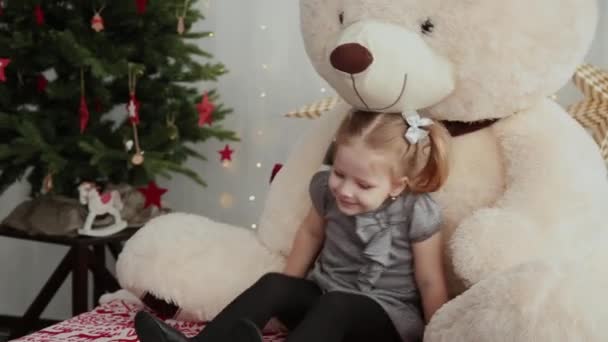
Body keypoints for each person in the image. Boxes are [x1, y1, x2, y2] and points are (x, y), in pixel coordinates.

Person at [134, 110, 451, 342]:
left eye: (364, 185)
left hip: (383, 320)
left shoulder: (416, 212)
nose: (344, 190)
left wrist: (436, 337)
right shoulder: (326, 190)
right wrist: (286, 292)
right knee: (275, 283)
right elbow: (311, 233)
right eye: (340, 173)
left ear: (397, 185)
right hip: (324, 300)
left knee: (337, 305)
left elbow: (429, 282)